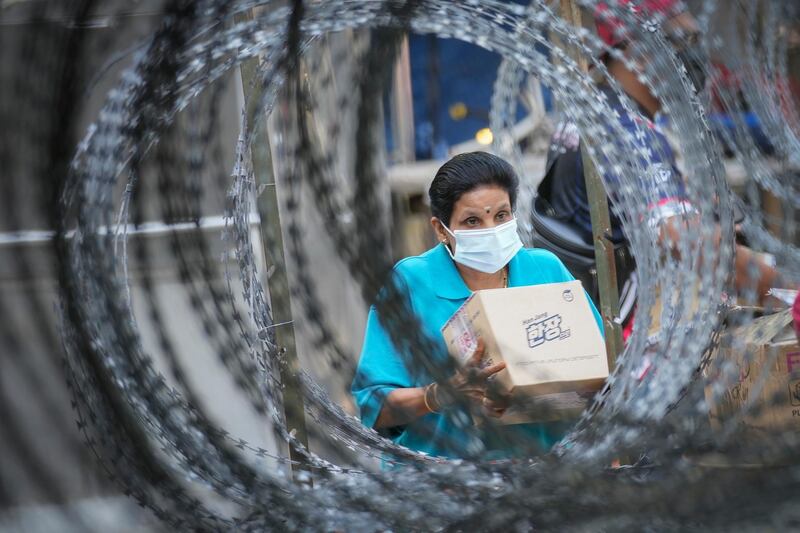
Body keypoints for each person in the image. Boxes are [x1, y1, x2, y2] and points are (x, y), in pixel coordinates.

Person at [538, 0, 785, 328]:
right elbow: (691, 246)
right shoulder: (628, 132)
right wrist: (786, 288)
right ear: (636, 50)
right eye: (681, 41)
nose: (692, 57)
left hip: (596, 319)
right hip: (628, 343)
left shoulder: (599, 112)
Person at [351, 152, 603, 459]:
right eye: (472, 221)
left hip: (544, 476)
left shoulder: (545, 271)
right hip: (446, 482)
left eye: (501, 216)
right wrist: (443, 393)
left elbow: (599, 372)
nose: (491, 230)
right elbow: (374, 407)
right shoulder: (413, 283)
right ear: (442, 229)